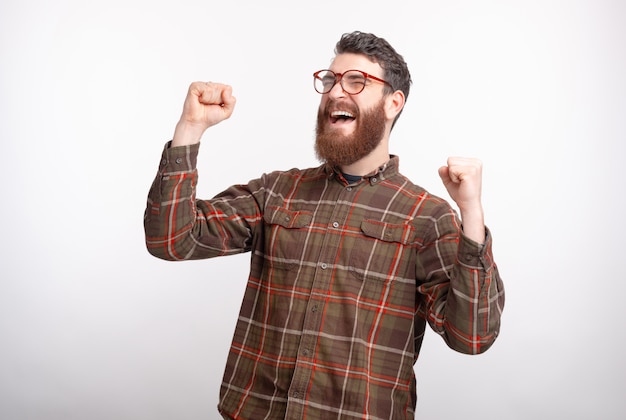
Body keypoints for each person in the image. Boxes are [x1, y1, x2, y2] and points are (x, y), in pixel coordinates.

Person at [144, 31, 505, 419]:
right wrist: (190, 129)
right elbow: (171, 239)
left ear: (393, 103)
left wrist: (471, 212)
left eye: (356, 81)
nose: (335, 92)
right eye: (330, 80)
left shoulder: (427, 216)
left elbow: (471, 336)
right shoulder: (277, 191)